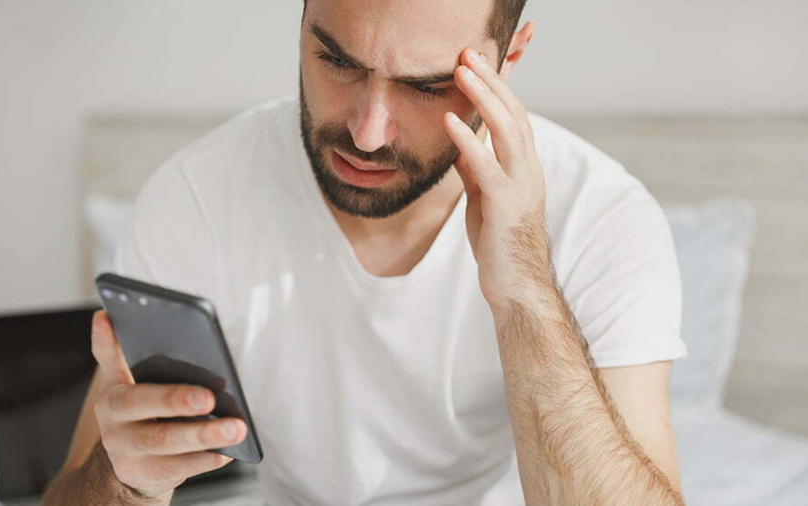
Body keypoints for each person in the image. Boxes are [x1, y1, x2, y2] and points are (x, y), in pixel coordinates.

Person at [43, 0, 689, 504]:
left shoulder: (599, 215)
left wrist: (523, 286)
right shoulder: (198, 195)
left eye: (429, 86)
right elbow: (79, 486)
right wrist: (124, 483)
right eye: (339, 62)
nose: (367, 133)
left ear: (510, 58)